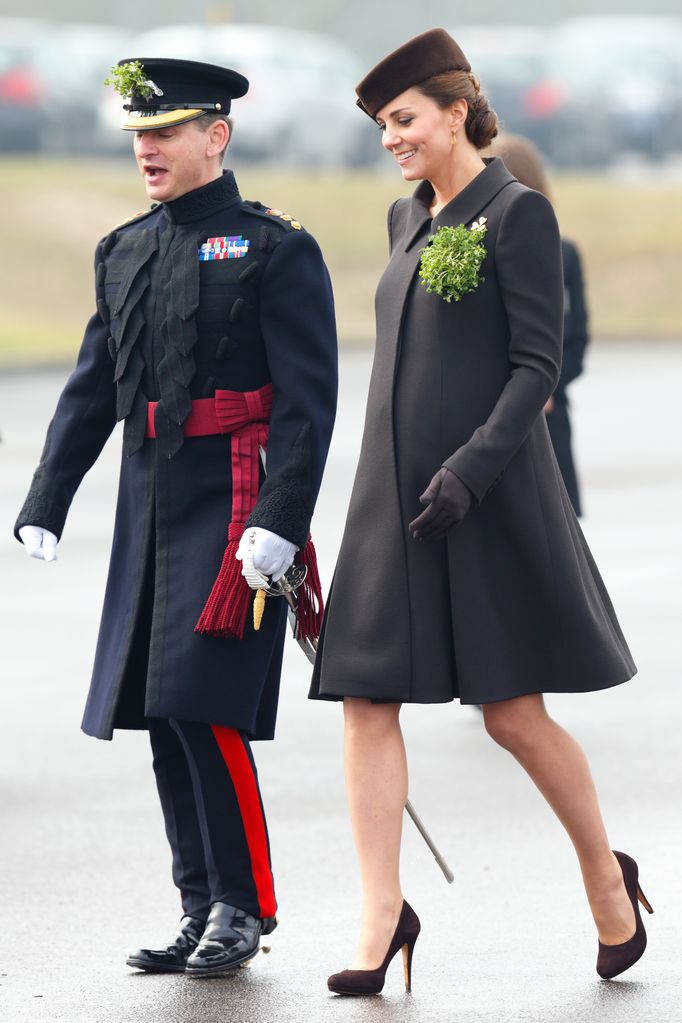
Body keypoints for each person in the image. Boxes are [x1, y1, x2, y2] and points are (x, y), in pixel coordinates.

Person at [309, 29, 648, 995]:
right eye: (382, 126)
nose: (392, 139)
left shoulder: (518, 214)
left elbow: (537, 365)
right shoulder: (401, 219)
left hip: (484, 495)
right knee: (367, 698)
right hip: (391, 497)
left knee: (512, 716)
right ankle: (381, 914)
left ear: (457, 111)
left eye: (404, 119)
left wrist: (471, 469)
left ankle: (603, 875)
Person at [15, 57, 337, 976]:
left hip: (236, 494)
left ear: (216, 137)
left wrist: (279, 519)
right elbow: (90, 389)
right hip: (151, 494)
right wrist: (48, 496)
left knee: (209, 703)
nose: (147, 149)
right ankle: (198, 902)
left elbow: (310, 402)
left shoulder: (275, 247)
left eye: (165, 132)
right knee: (160, 708)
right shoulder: (124, 247)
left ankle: (246, 902)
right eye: (140, 135)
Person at [486, 132, 588, 515]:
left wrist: (545, 386)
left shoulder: (564, 253)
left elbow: (577, 337)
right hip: (490, 413)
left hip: (548, 415)